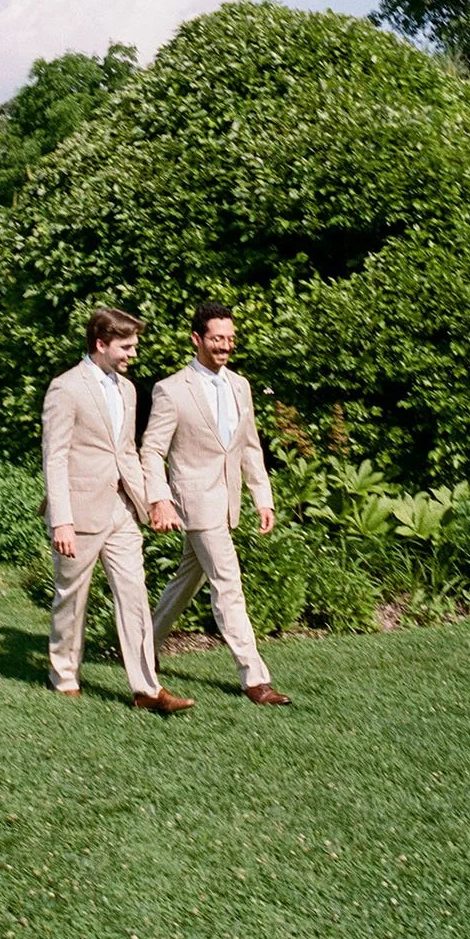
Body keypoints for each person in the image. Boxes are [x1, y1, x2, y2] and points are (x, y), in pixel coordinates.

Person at [43, 306, 194, 714]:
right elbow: (54, 458)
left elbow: (126, 451)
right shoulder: (65, 388)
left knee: (134, 595)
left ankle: (147, 688)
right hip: (78, 511)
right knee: (71, 597)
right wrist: (62, 521)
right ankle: (64, 674)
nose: (133, 354)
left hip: (122, 510)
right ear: (100, 344)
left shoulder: (128, 390)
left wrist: (153, 502)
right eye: (126, 347)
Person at [142, 301, 291, 706]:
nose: (225, 346)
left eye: (230, 339)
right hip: (194, 500)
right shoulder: (171, 390)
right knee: (228, 583)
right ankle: (255, 679)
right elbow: (152, 450)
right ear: (197, 339)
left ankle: (142, 649)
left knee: (186, 581)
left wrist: (262, 496)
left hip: (227, 501)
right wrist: (160, 498)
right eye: (216, 339)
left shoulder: (240, 385)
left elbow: (248, 445)